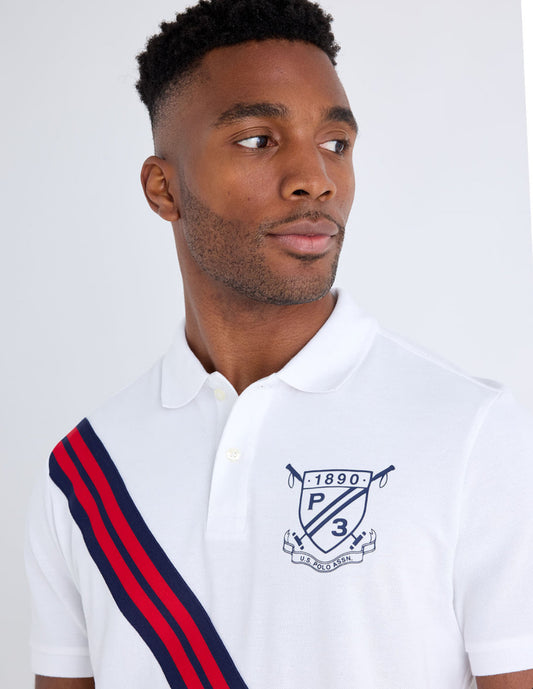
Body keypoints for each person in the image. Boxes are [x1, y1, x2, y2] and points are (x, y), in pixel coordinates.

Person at [25, 1, 533, 688]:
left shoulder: (473, 433)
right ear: (163, 188)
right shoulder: (83, 470)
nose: (314, 178)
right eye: (258, 140)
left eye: (335, 144)